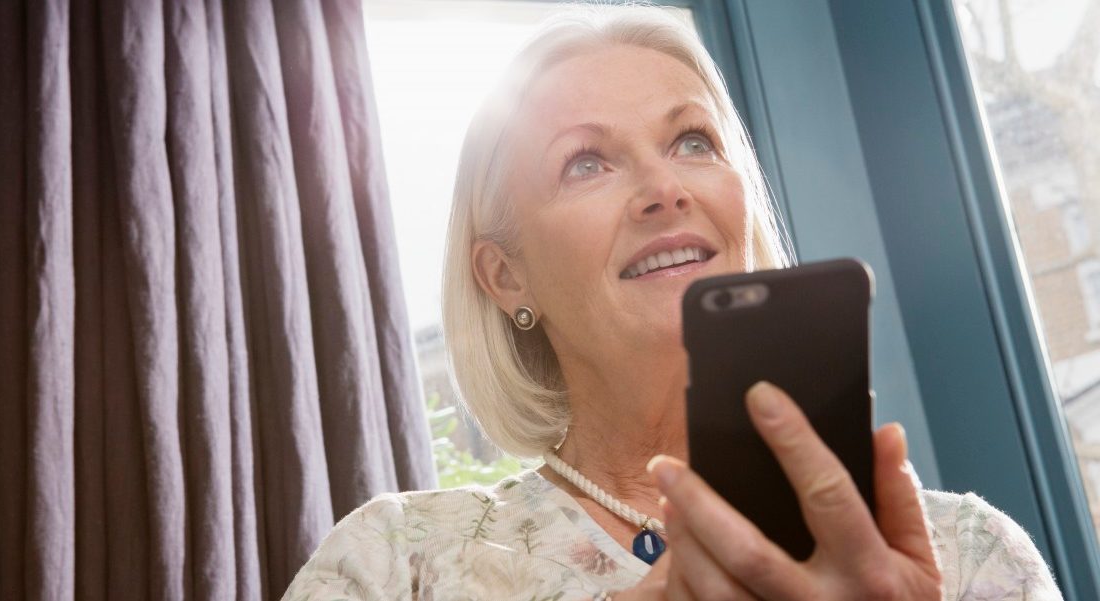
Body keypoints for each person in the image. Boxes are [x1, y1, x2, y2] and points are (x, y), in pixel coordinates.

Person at [282, 5, 1061, 600]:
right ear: (504, 276)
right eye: (586, 162)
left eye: (693, 142)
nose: (665, 189)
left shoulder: (970, 551)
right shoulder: (394, 562)